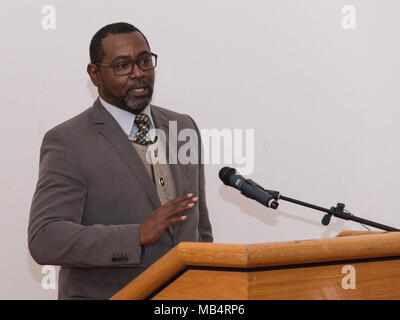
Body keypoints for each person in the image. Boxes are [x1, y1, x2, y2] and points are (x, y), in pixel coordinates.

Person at [28, 22, 213, 300]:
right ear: (95, 74)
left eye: (144, 61)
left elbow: (200, 230)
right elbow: (45, 238)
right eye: (122, 66)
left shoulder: (182, 127)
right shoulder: (68, 141)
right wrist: (135, 235)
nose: (138, 73)